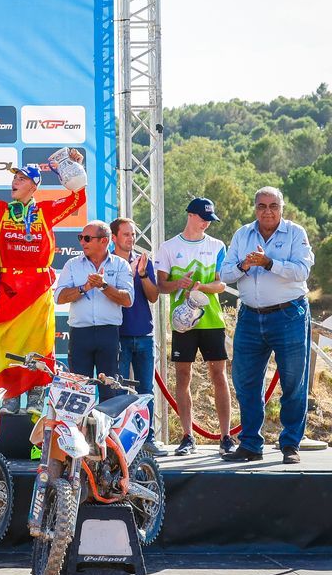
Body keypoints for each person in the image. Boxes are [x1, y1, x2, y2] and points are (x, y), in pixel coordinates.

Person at [220, 187, 315, 464]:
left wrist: (269, 263)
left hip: (289, 315)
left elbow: (302, 271)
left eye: (273, 205)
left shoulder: (295, 233)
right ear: (255, 208)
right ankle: (251, 444)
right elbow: (224, 273)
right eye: (262, 206)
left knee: (293, 382)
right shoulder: (242, 234)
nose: (268, 211)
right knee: (245, 381)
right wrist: (244, 266)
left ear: (282, 208)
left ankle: (290, 444)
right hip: (250, 316)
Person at [0, 149, 85, 304]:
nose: (15, 182)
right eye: (15, 178)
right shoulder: (1, 211)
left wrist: (76, 171)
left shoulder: (45, 211)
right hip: (8, 288)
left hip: (38, 287)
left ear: (33, 187)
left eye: (22, 179)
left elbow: (77, 200)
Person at [156, 197, 232, 456]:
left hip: (212, 320)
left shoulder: (217, 245)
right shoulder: (168, 247)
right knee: (182, 376)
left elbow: (221, 284)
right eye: (203, 218)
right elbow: (161, 286)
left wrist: (201, 287)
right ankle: (187, 436)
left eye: (210, 219)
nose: (206, 223)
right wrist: (179, 284)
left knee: (219, 375)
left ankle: (225, 437)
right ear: (190, 215)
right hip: (183, 322)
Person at [54, 220, 133, 399]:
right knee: (79, 392)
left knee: (110, 391)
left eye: (87, 238)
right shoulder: (72, 264)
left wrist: (104, 286)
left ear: (104, 241)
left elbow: (128, 300)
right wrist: (85, 288)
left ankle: (108, 419)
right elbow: (59, 297)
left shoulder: (121, 265)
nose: (82, 242)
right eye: (80, 237)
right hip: (80, 334)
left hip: (108, 333)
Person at [111, 216, 162, 454]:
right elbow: (111, 295)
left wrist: (142, 275)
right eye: (126, 234)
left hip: (144, 334)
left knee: (146, 390)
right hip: (118, 335)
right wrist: (129, 274)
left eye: (133, 234)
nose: (131, 238)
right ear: (114, 238)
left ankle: (147, 439)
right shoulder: (108, 263)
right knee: (119, 390)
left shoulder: (143, 260)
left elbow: (153, 296)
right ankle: (120, 441)